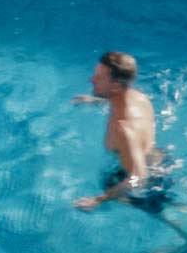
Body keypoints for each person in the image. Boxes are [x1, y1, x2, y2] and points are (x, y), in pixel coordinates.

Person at [70, 50, 175, 216]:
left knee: (109, 184)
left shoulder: (125, 129)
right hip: (160, 160)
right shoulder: (137, 97)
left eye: (98, 78)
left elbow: (138, 178)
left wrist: (99, 199)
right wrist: (95, 100)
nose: (91, 80)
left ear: (116, 85)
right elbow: (115, 96)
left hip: (148, 179)